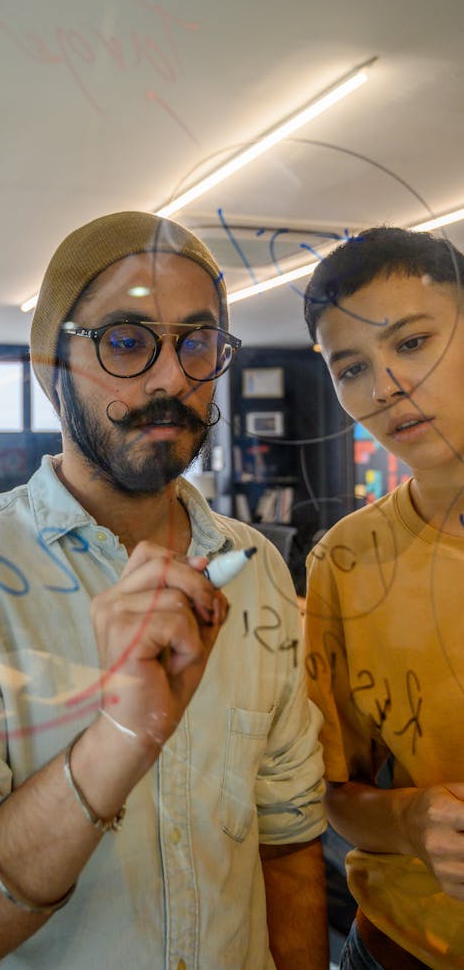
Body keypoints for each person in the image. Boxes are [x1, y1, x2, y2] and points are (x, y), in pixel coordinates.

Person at [0, 210, 327, 970]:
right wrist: (115, 742)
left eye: (198, 342)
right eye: (126, 339)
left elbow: (288, 833)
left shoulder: (258, 569)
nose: (172, 376)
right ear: (52, 360)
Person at [303, 225, 464, 969]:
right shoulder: (344, 560)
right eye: (351, 366)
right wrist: (408, 819)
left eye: (410, 343)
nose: (385, 387)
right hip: (402, 944)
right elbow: (336, 790)